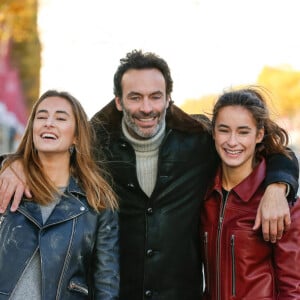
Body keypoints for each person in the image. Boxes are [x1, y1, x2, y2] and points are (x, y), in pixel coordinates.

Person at [0, 51, 299, 300]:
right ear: (118, 101)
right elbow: (51, 149)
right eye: (135, 97)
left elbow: (265, 149)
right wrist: (15, 163)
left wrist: (278, 186)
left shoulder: (200, 143)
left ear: (169, 98)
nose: (146, 108)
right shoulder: (96, 146)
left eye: (155, 97)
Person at [0, 90, 119, 299]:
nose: (49, 123)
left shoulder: (97, 203)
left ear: (76, 137)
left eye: (60, 118)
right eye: (42, 116)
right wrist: (9, 163)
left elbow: (106, 284)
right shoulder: (6, 181)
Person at [200, 87, 300, 299]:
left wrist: (277, 188)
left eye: (243, 131)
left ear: (259, 134)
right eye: (224, 130)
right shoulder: (204, 194)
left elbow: (293, 287)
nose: (232, 141)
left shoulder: (281, 204)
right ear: (213, 132)